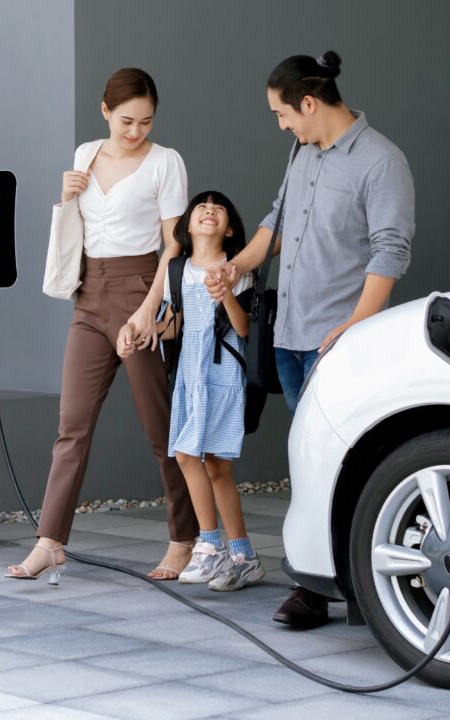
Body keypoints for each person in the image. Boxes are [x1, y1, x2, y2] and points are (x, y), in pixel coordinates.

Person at [208, 51, 415, 624]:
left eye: (282, 113)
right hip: (290, 336)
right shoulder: (303, 152)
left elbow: (391, 250)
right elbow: (277, 220)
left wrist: (356, 326)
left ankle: (333, 588)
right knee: (311, 461)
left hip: (340, 343)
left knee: (346, 462)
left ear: (308, 102)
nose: (281, 125)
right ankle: (322, 579)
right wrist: (237, 267)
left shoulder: (381, 161)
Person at [6, 68, 199, 583]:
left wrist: (147, 312)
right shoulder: (85, 155)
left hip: (141, 291)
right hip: (90, 298)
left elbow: (173, 246)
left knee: (161, 430)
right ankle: (50, 541)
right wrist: (67, 194)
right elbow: (79, 227)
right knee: (72, 427)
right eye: (126, 121)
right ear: (105, 111)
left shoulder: (166, 163)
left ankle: (184, 539)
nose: (135, 132)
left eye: (146, 121)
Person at [121, 191, 264, 591]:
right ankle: (244, 556)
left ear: (230, 227)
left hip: (222, 372)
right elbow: (174, 323)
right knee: (210, 464)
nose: (209, 210)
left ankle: (210, 545)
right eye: (202, 205)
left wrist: (227, 295)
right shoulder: (177, 269)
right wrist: (141, 332)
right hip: (189, 373)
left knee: (196, 457)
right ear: (188, 224)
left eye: (218, 208)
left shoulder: (237, 270)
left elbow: (243, 330)